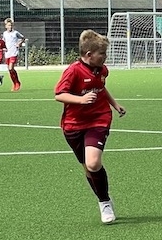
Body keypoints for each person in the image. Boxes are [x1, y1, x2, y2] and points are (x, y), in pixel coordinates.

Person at [53, 30, 127, 224]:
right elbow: (59, 94)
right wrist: (81, 99)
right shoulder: (73, 71)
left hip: (99, 118)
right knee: (88, 168)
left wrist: (114, 104)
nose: (105, 57)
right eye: (102, 53)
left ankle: (104, 203)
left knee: (93, 163)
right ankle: (103, 197)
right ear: (89, 55)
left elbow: (101, 88)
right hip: (73, 125)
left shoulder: (102, 69)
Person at [2, 17, 25, 91]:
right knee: (10, 70)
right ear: (6, 26)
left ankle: (17, 83)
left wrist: (19, 43)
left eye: (11, 25)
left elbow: (23, 38)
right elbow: (3, 41)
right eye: (9, 25)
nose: (10, 26)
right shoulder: (5, 33)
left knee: (10, 68)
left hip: (14, 52)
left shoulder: (15, 33)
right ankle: (14, 83)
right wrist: (3, 48)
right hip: (7, 53)